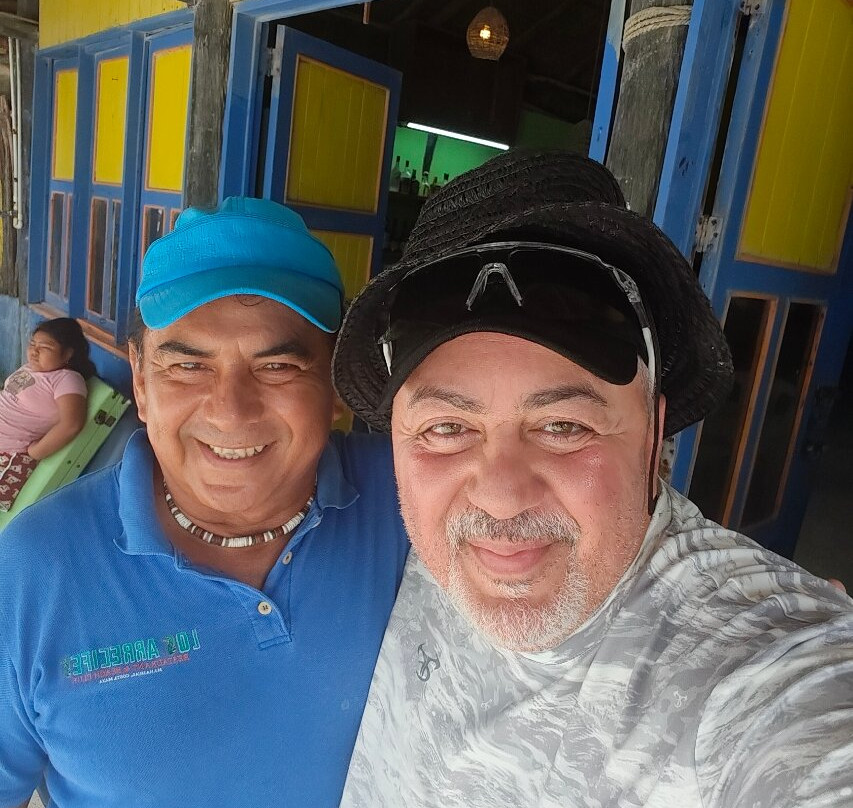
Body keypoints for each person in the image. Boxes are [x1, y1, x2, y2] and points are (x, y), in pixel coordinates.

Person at [332, 150, 853, 807]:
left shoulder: (755, 666)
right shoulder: (380, 538)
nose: (499, 497)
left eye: (563, 427)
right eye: (446, 429)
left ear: (652, 436)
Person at [0, 198, 408, 807]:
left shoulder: (414, 503)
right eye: (188, 367)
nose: (230, 411)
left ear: (335, 382)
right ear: (141, 381)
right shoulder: (32, 570)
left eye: (278, 366)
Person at [0, 318, 95, 512]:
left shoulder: (67, 379)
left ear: (67, 354)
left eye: (45, 347)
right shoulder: (31, 368)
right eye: (32, 344)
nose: (34, 351)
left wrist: (37, 452)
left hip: (9, 456)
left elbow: (71, 424)